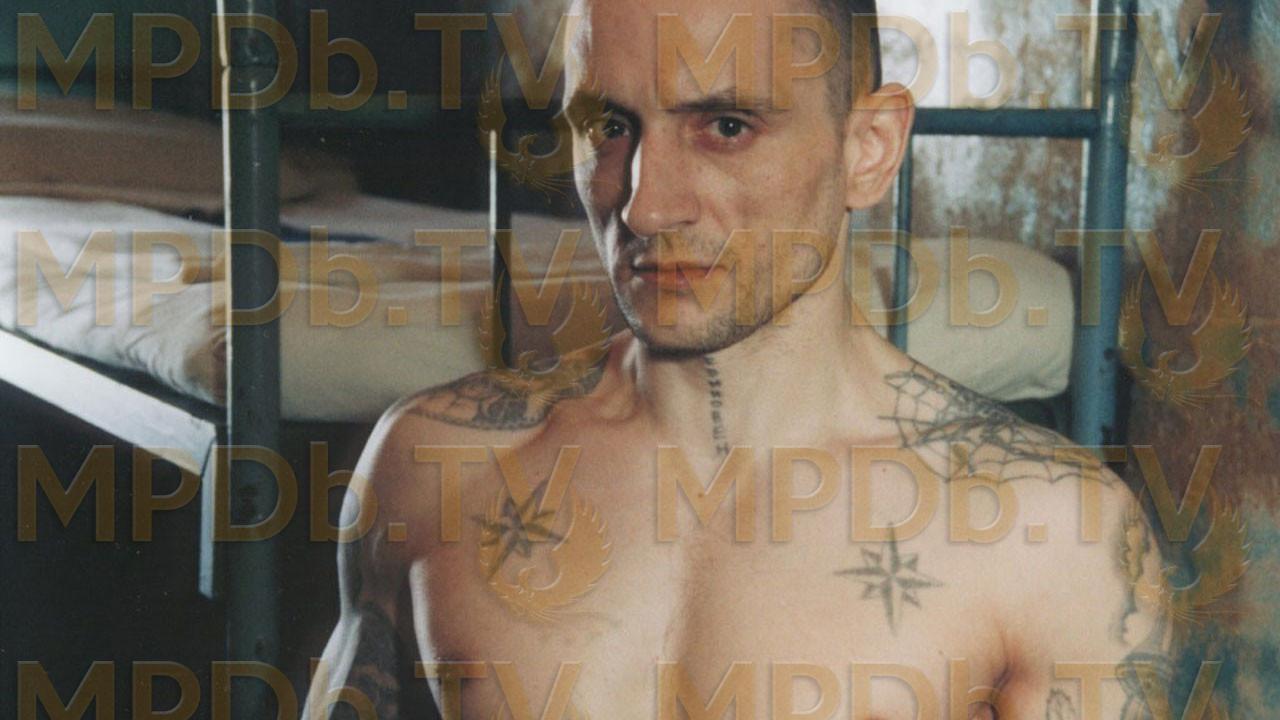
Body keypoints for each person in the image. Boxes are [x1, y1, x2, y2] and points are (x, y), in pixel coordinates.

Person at [305, 0, 1171, 717]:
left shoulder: (1048, 535)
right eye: (609, 126)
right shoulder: (434, 463)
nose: (645, 207)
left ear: (867, 150)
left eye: (726, 126)